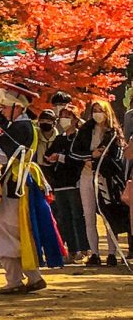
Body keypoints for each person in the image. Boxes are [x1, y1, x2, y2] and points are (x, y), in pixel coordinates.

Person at [0, 82, 64, 293]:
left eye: (5, 106)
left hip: (14, 183)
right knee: (18, 230)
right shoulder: (25, 126)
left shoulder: (19, 127)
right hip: (21, 181)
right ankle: (32, 277)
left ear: (17, 106)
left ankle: (15, 280)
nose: (2, 110)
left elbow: (3, 155)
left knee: (5, 229)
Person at [71, 98, 125, 266]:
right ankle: (94, 253)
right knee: (89, 216)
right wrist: (89, 156)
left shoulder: (113, 133)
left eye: (100, 110)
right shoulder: (85, 130)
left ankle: (111, 253)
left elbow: (117, 158)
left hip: (105, 178)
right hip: (87, 176)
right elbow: (73, 152)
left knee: (108, 215)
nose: (97, 114)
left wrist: (100, 159)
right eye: (94, 111)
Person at [41, 104, 89, 264]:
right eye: (62, 116)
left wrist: (60, 157)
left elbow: (78, 158)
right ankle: (71, 250)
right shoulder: (60, 138)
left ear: (75, 119)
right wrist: (51, 158)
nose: (64, 119)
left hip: (75, 182)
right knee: (64, 218)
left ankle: (84, 248)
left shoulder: (80, 137)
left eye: (68, 116)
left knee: (78, 216)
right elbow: (48, 154)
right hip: (59, 183)